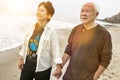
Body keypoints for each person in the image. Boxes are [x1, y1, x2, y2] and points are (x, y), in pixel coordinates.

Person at [53, 2, 112, 80]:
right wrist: (60, 67)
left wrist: (95, 77)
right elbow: (68, 50)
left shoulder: (104, 34)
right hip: (69, 76)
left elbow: (106, 59)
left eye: (88, 11)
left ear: (96, 14)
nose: (84, 14)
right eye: (82, 11)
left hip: (88, 77)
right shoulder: (76, 29)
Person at [18, 1, 62, 80]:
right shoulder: (31, 27)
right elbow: (25, 44)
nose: (39, 12)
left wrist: (58, 67)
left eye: (42, 10)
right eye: (38, 10)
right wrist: (21, 58)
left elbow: (56, 50)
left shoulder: (51, 32)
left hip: (43, 68)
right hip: (27, 64)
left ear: (49, 15)